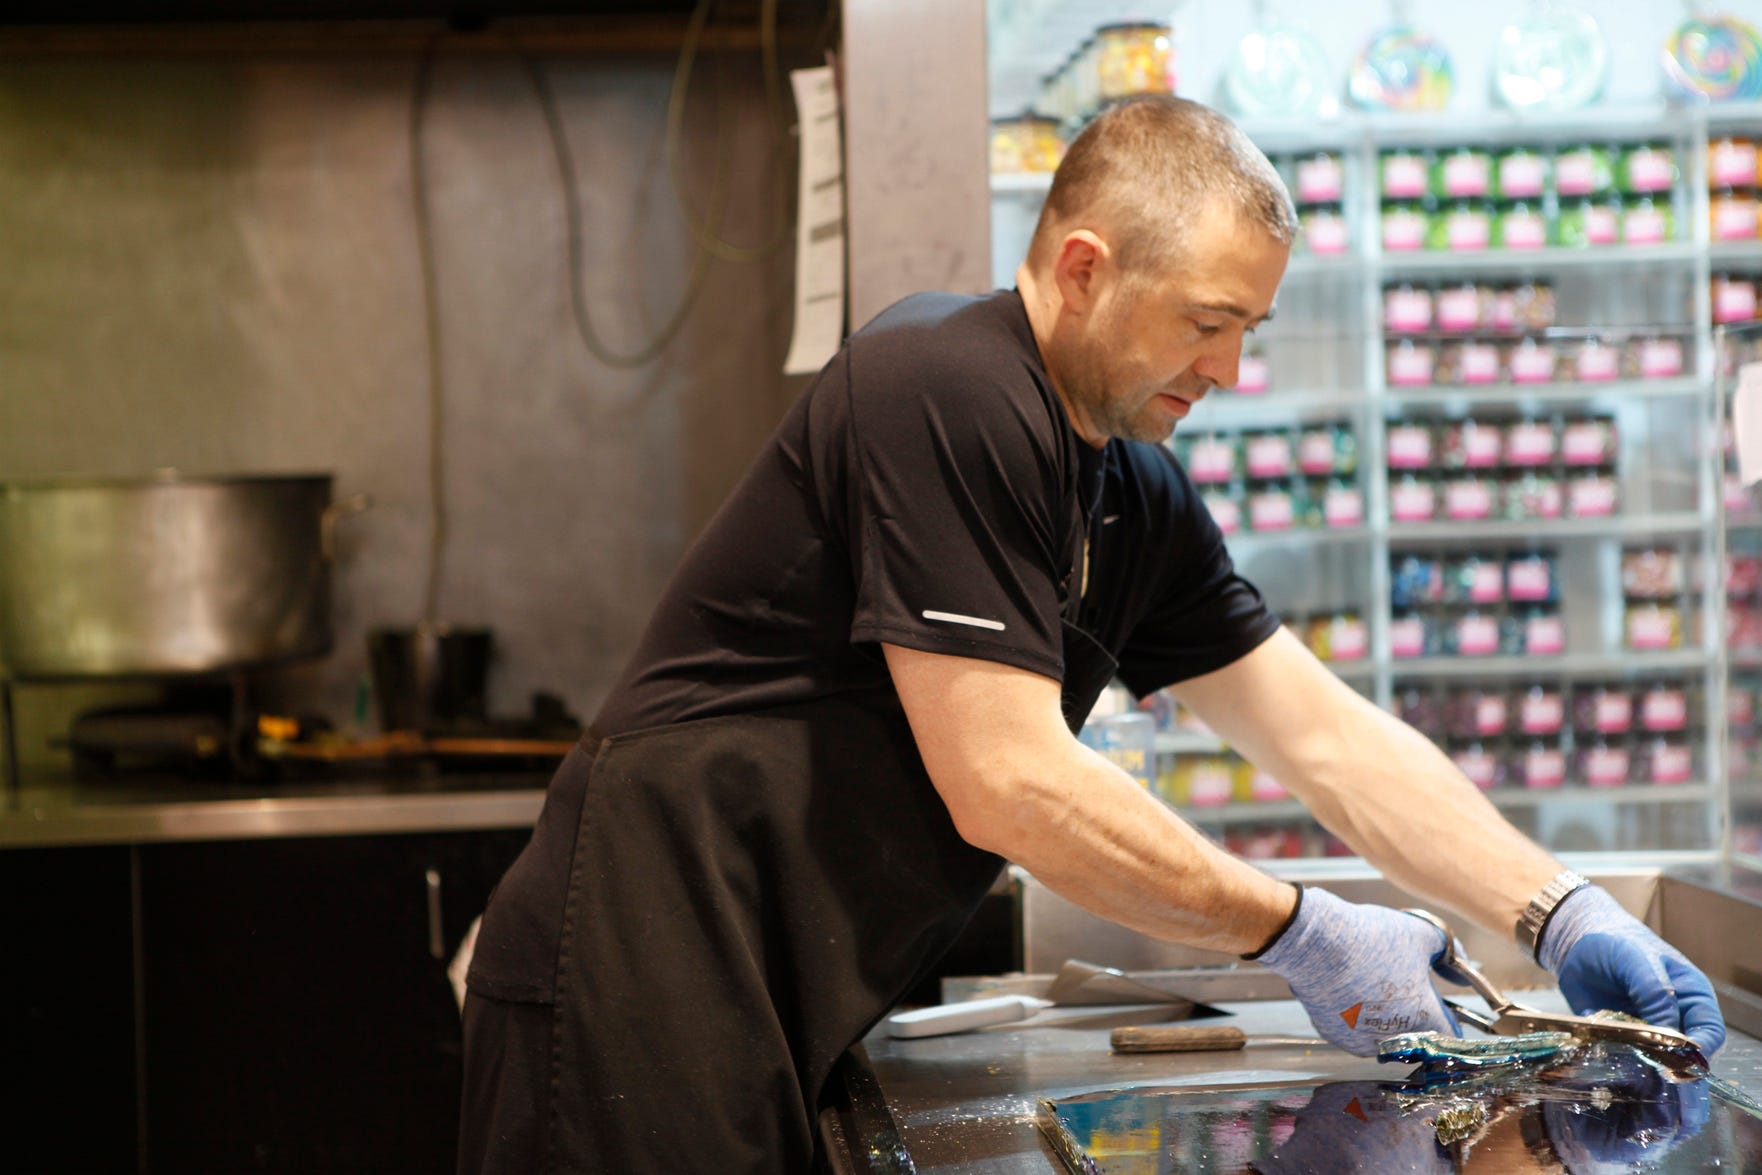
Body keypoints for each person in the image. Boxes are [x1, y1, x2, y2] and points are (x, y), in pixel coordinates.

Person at [457, 95, 1725, 1174]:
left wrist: (1558, 910)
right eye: (1206, 319)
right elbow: (1008, 781)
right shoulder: (940, 380)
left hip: (770, 984)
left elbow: (1324, 735)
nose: (1228, 367)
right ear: (1081, 268)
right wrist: (1296, 928)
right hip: (637, 960)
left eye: (1249, 329)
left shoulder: (1130, 489)